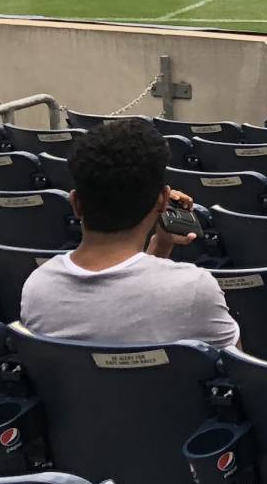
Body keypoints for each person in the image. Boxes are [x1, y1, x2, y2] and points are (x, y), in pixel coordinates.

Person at [18, 119, 240, 347]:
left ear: (75, 203)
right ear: (163, 200)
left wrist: (161, 245)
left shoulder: (38, 287)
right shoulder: (194, 289)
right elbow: (238, 370)